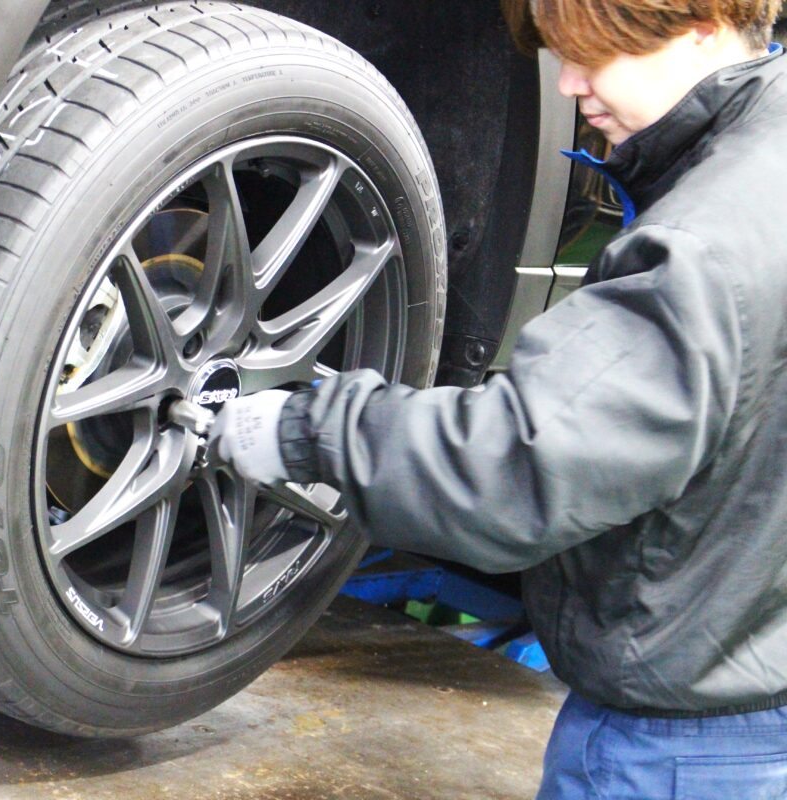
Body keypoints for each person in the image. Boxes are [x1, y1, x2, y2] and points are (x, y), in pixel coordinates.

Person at [211, 1, 787, 797]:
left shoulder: (701, 252)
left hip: (678, 752)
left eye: (592, 52)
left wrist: (305, 427)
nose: (569, 81)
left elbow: (521, 465)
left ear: (699, 24)